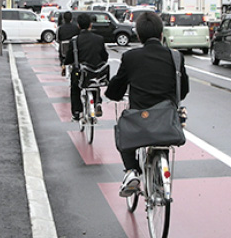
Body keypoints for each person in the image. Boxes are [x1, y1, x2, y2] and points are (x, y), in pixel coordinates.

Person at [105, 12, 189, 197]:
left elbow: (116, 88)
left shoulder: (130, 57)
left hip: (140, 119)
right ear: (161, 34)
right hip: (166, 119)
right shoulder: (176, 57)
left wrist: (113, 94)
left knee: (122, 129)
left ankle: (132, 171)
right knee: (162, 139)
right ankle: (160, 178)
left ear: (139, 36)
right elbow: (183, 90)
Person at [64, 13, 109, 121]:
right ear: (90, 24)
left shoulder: (75, 40)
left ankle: (76, 112)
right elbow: (105, 57)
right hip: (96, 72)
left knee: (75, 88)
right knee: (94, 82)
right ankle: (97, 102)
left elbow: (69, 58)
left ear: (78, 25)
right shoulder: (99, 39)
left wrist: (66, 62)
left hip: (80, 73)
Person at [56, 11, 80, 76]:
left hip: (63, 49)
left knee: (61, 52)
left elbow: (58, 40)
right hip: (74, 49)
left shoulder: (60, 28)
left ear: (63, 19)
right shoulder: (76, 27)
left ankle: (63, 65)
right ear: (71, 19)